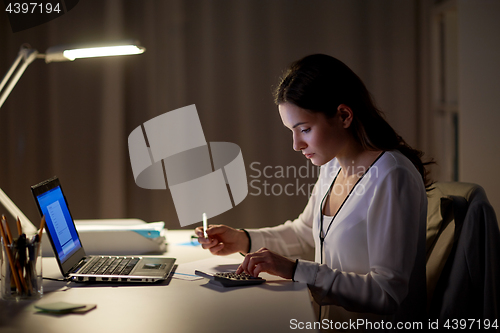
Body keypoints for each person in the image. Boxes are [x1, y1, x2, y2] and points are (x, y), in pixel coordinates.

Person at [195, 54, 431, 330]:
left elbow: (386, 293)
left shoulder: (392, 176)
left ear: (344, 115)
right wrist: (243, 240)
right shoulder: (333, 165)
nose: (296, 144)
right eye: (292, 131)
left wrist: (295, 270)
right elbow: (305, 233)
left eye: (305, 129)